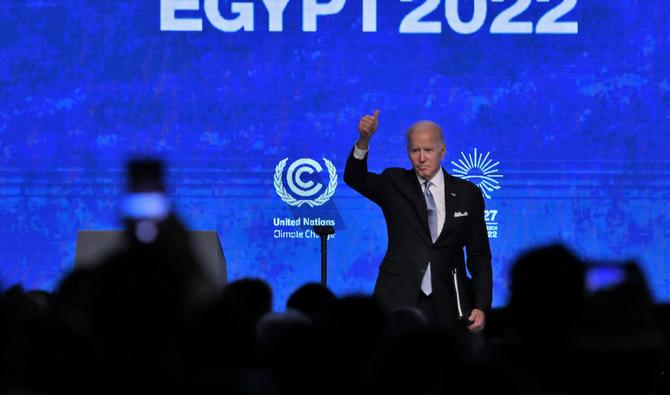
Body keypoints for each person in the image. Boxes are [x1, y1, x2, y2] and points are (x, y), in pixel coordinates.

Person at [344, 110, 492, 333]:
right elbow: (355, 177)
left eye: (428, 150)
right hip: (397, 297)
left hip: (450, 301)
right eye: (415, 151)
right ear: (408, 152)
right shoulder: (394, 182)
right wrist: (364, 140)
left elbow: (479, 254)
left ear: (443, 151)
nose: (421, 158)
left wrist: (481, 305)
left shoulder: (467, 193)